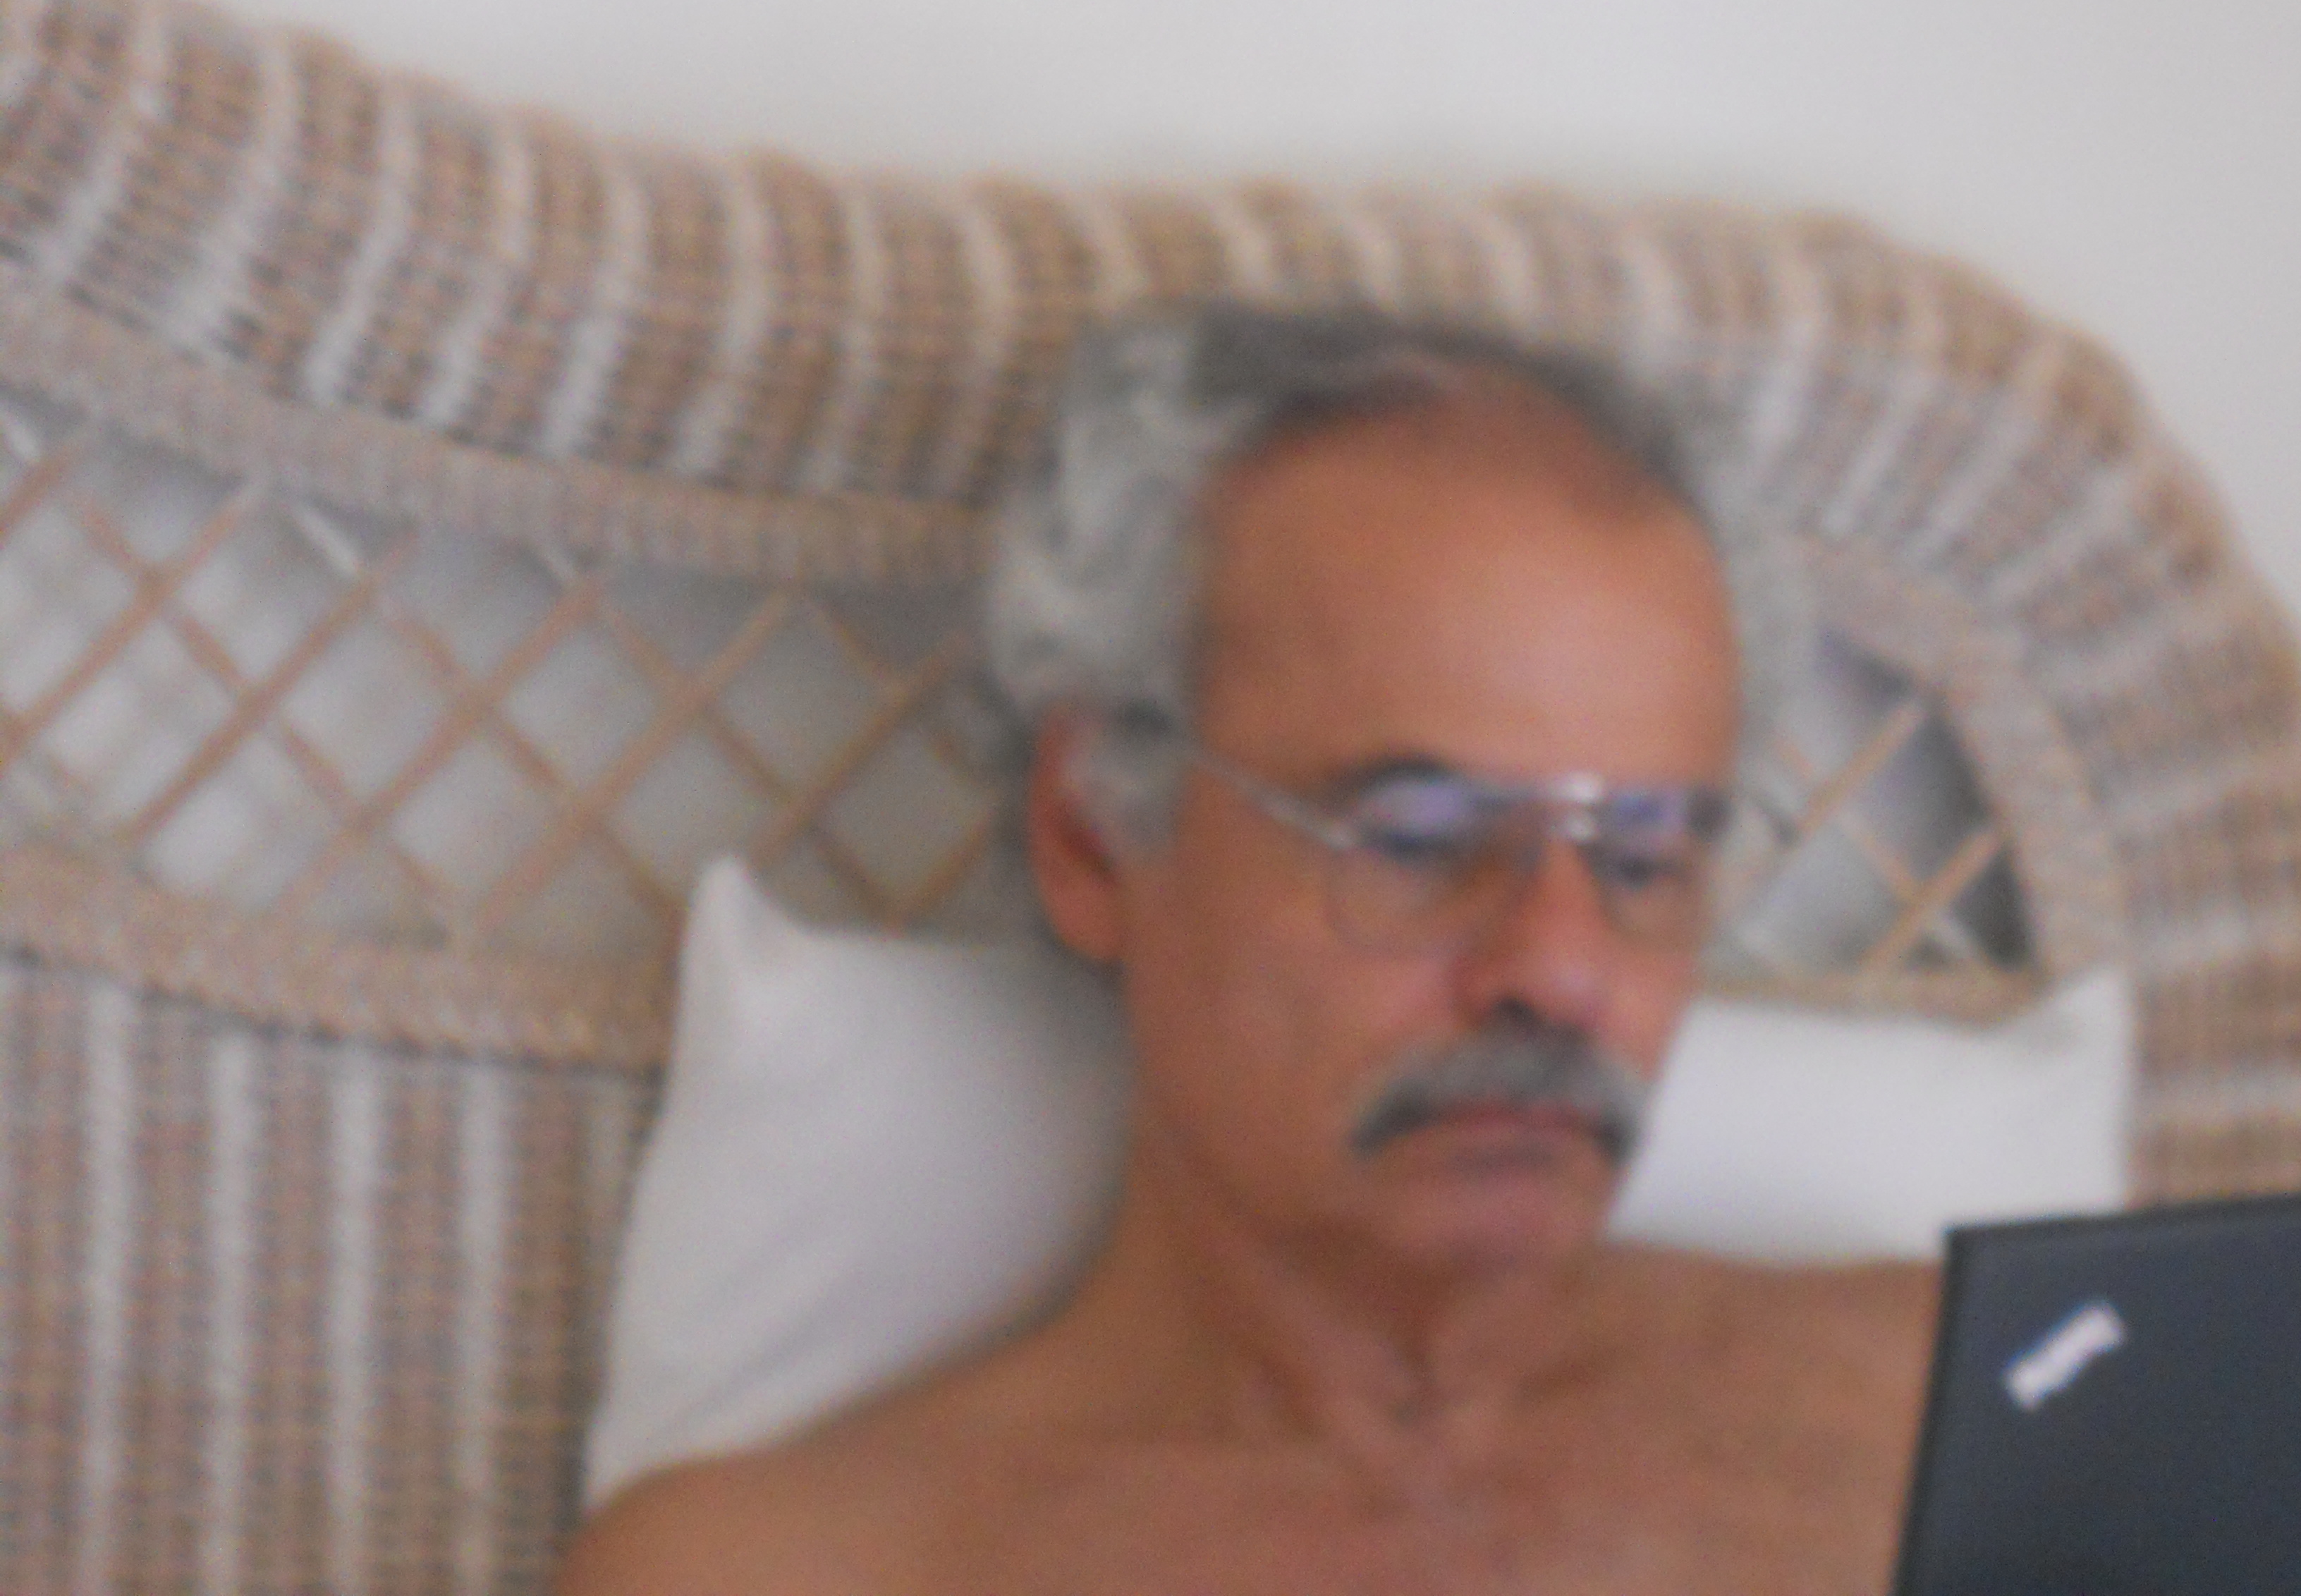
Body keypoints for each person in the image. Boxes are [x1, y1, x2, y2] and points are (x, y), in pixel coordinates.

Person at [558, 305, 1939, 1596]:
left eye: (1643, 858)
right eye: (1420, 838)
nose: (1565, 970)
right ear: (1094, 834)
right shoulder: (782, 1572)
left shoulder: (1932, 1406)